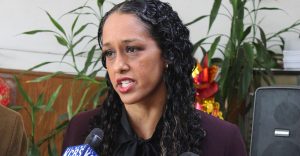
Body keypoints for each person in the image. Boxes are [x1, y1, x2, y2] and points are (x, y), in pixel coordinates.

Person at [62, 0, 248, 155]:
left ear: (167, 54)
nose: (118, 65)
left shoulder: (222, 139)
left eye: (132, 49)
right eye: (109, 53)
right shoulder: (81, 131)